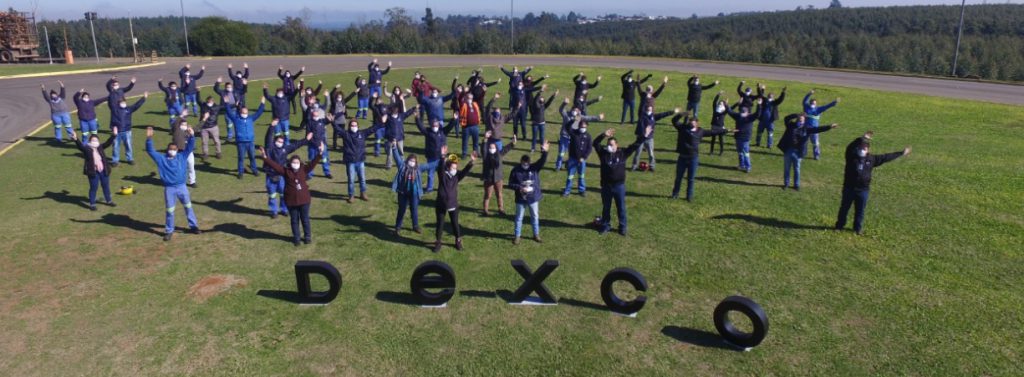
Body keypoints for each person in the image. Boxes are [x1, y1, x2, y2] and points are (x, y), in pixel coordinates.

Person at [835, 133, 910, 235]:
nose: (862, 149)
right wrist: (863, 138)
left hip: (863, 191)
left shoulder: (871, 159)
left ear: (868, 150)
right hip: (849, 188)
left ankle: (857, 229)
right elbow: (850, 146)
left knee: (860, 211)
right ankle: (839, 226)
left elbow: (886, 157)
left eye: (865, 148)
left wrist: (901, 153)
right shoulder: (851, 156)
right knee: (844, 208)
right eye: (861, 147)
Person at [259, 144, 324, 245]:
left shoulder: (304, 169)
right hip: (291, 201)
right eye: (293, 162)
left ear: (300, 163)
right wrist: (265, 158)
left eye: (297, 162)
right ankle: (296, 238)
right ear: (290, 163)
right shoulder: (286, 171)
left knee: (305, 219)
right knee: (294, 220)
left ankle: (307, 237)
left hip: (304, 200)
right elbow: (275, 166)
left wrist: (320, 153)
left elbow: (313, 163)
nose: (295, 164)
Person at [144, 126, 201, 241]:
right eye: (171, 149)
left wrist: (192, 136)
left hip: (182, 187)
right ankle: (169, 231)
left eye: (175, 149)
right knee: (170, 210)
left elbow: (189, 147)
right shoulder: (161, 159)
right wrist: (149, 138)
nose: (173, 150)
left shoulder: (182, 156)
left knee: (188, 207)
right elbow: (150, 151)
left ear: (177, 150)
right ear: (167, 150)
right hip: (169, 189)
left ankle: (194, 226)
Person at [594, 127, 651, 236]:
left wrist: (644, 136)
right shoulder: (603, 154)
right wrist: (604, 135)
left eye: (612, 144)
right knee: (606, 207)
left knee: (621, 207)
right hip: (606, 186)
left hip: (619, 186)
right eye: (609, 145)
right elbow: (595, 143)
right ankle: (606, 225)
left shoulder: (623, 153)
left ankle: (623, 227)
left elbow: (635, 145)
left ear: (617, 145)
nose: (610, 146)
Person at [670, 113, 731, 201]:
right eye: (690, 121)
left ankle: (689, 196)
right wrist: (681, 114)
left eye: (693, 122)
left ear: (697, 123)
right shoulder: (682, 128)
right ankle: (675, 194)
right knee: (679, 177)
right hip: (682, 157)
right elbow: (674, 121)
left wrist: (726, 130)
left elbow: (713, 132)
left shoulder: (700, 131)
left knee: (691, 179)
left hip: (693, 158)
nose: (691, 123)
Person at [777, 114, 838, 190]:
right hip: (789, 150)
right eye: (799, 118)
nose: (800, 120)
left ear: (804, 120)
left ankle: (796, 185)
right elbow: (786, 118)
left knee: (797, 169)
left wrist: (829, 126)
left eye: (802, 119)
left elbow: (818, 129)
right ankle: (786, 184)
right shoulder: (790, 125)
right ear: (797, 119)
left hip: (798, 152)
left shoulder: (807, 129)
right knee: (787, 168)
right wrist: (796, 114)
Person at [263, 121, 310, 218]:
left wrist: (306, 140)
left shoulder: (285, 149)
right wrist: (271, 126)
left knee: (283, 194)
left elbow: (296, 145)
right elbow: (268, 137)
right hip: (270, 175)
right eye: (278, 141)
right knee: (272, 195)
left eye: (282, 142)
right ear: (275, 141)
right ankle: (274, 211)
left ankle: (284, 209)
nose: (280, 143)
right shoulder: (269, 148)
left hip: (281, 176)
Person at [434, 146, 475, 252]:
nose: (455, 165)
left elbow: (465, 172)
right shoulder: (443, 174)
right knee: (440, 224)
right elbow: (440, 167)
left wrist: (471, 162)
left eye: (456, 164)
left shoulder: (457, 175)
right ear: (448, 165)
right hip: (441, 204)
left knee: (455, 224)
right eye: (454, 164)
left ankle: (458, 241)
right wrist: (442, 156)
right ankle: (438, 242)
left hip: (453, 204)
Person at [509, 140, 550, 244]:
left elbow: (542, 161)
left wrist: (544, 152)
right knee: (519, 218)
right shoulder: (515, 170)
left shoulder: (534, 168)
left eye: (527, 164)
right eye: (524, 164)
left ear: (529, 162)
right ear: (521, 162)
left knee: (535, 216)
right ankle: (517, 236)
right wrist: (519, 188)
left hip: (533, 198)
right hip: (520, 198)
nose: (526, 165)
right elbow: (510, 184)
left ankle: (536, 235)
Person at [334, 118, 384, 203]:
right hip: (350, 162)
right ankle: (351, 195)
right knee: (351, 180)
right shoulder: (346, 134)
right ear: (349, 126)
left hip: (360, 161)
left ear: (358, 126)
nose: (354, 127)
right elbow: (337, 129)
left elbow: (372, 129)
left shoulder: (362, 133)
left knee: (362, 179)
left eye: (355, 125)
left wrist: (381, 122)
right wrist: (332, 121)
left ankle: (363, 193)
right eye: (352, 125)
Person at [70, 128, 117, 210]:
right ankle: (92, 204)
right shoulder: (87, 149)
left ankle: (109, 201)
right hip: (93, 172)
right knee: (93, 188)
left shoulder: (100, 147)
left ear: (98, 141)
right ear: (90, 141)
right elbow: (80, 146)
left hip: (103, 170)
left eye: (96, 139)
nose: (94, 141)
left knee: (106, 186)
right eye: (93, 139)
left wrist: (114, 135)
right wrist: (76, 139)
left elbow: (108, 143)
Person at [413, 113, 457, 192]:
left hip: (442, 157)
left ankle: (444, 186)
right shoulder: (428, 132)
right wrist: (417, 118)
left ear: (439, 125)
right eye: (433, 125)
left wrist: (453, 119)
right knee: (430, 173)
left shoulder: (443, 131)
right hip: (431, 157)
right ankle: (430, 188)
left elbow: (450, 127)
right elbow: (421, 127)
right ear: (431, 125)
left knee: (443, 173)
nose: (435, 127)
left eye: (436, 125)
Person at [555, 99, 603, 171]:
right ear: (572, 109)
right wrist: (564, 103)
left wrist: (598, 117)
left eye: (577, 110)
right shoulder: (567, 115)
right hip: (564, 137)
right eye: (575, 109)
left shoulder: (579, 117)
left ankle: (568, 165)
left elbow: (589, 118)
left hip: (573, 139)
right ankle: (558, 166)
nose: (576, 111)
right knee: (561, 152)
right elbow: (561, 110)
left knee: (571, 154)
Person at [225, 97, 266, 179]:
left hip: (250, 142)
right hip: (241, 142)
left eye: (246, 112)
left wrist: (262, 103)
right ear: (240, 112)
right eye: (244, 112)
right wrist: (226, 103)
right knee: (241, 158)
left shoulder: (251, 118)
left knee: (252, 157)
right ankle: (240, 173)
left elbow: (259, 113)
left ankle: (254, 170)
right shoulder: (236, 119)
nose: (245, 114)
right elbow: (229, 112)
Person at [631, 105, 680, 172]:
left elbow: (663, 114)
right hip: (640, 138)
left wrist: (673, 111)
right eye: (648, 108)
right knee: (637, 153)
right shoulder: (642, 115)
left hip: (649, 138)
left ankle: (652, 166)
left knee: (651, 153)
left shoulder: (653, 116)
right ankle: (634, 166)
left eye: (651, 108)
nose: (649, 109)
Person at [392, 154, 430, 234]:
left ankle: (415, 226)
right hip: (403, 192)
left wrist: (441, 159)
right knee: (401, 210)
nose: (412, 162)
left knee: (414, 209)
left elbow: (429, 165)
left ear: (416, 162)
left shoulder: (418, 168)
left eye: (414, 161)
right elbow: (397, 157)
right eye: (410, 161)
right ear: (407, 160)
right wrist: (394, 147)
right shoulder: (402, 166)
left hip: (414, 193)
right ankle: (397, 227)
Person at [481, 132, 516, 215]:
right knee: (487, 195)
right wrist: (485, 138)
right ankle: (485, 210)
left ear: (496, 148)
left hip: (498, 179)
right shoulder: (486, 155)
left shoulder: (499, 154)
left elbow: (507, 148)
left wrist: (513, 142)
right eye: (490, 147)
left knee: (499, 194)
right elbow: (483, 149)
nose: (491, 149)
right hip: (489, 179)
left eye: (493, 147)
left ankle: (501, 209)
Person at [109, 92, 147, 166]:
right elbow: (112, 120)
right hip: (117, 132)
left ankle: (130, 159)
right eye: (121, 102)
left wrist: (144, 98)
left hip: (127, 131)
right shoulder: (115, 110)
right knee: (116, 146)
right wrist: (113, 128)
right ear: (118, 103)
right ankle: (115, 160)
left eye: (124, 102)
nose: (123, 103)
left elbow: (137, 105)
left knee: (128, 146)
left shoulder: (129, 109)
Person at [803, 89, 840, 160]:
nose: (812, 104)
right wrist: (809, 94)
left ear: (816, 104)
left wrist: (834, 102)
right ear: (809, 103)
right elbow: (804, 100)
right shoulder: (806, 107)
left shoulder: (818, 109)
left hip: (815, 130)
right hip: (806, 128)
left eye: (814, 103)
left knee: (815, 143)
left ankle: (816, 155)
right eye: (811, 103)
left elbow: (827, 106)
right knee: (804, 142)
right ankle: (803, 154)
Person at [381, 102, 417, 170]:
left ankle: (402, 163)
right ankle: (389, 164)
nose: (395, 110)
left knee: (401, 152)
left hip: (400, 138)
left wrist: (414, 108)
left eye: (396, 109)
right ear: (391, 110)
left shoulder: (401, 116)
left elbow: (407, 113)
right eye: (394, 109)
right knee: (389, 152)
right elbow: (383, 120)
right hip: (390, 138)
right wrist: (385, 115)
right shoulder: (388, 117)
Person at [726, 104, 759, 173]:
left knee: (746, 153)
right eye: (741, 112)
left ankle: (748, 167)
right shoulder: (738, 116)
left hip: (745, 138)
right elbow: (730, 112)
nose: (742, 114)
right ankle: (741, 165)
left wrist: (759, 104)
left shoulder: (750, 117)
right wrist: (726, 105)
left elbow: (757, 113)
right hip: (738, 137)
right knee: (740, 152)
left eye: (743, 112)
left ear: (747, 112)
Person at [563, 120, 592, 197]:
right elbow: (567, 127)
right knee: (570, 176)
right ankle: (567, 191)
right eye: (582, 126)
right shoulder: (573, 133)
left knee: (581, 176)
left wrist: (584, 157)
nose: (583, 127)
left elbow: (589, 148)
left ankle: (581, 190)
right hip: (572, 159)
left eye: (585, 126)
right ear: (579, 126)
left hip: (582, 160)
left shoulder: (588, 136)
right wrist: (573, 120)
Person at [169, 115, 198, 187]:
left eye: (185, 125)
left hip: (188, 152)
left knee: (191, 166)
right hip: (179, 153)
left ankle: (192, 181)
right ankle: (177, 181)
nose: (184, 126)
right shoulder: (177, 132)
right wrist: (181, 116)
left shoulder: (188, 131)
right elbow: (174, 124)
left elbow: (198, 127)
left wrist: (204, 119)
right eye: (182, 125)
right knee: (179, 167)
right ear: (179, 125)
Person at [305, 107, 333, 179]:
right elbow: (308, 135)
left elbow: (329, 120)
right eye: (314, 115)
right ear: (312, 115)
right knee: (312, 160)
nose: (315, 116)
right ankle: (310, 174)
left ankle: (327, 172)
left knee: (324, 159)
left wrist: (330, 118)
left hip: (322, 145)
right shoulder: (309, 123)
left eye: (317, 114)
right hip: (312, 145)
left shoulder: (322, 121)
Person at [528, 88, 558, 153]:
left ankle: (542, 148)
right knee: (534, 137)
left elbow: (549, 102)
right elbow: (535, 99)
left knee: (542, 137)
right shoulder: (536, 105)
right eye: (541, 98)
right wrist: (540, 91)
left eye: (543, 98)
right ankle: (533, 148)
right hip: (535, 123)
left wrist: (554, 95)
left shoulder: (544, 106)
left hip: (542, 123)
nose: (542, 98)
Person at [213, 76, 241, 142]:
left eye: (230, 87)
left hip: (234, 110)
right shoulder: (223, 92)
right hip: (227, 110)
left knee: (236, 123)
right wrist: (218, 82)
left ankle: (237, 135)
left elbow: (239, 96)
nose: (229, 88)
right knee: (229, 123)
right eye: (228, 87)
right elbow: (216, 89)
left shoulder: (235, 92)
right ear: (225, 87)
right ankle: (230, 135)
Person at [329, 85, 357, 150]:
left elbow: (349, 97)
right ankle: (334, 145)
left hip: (342, 121)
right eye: (338, 97)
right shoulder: (334, 102)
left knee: (343, 134)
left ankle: (345, 145)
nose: (339, 98)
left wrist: (355, 92)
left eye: (340, 97)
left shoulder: (343, 102)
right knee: (335, 134)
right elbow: (331, 94)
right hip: (336, 121)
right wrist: (335, 88)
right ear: (336, 97)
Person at [459, 93, 482, 158]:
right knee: (465, 141)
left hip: (475, 126)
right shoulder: (463, 104)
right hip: (466, 127)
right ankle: (464, 153)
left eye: (471, 98)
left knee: (476, 141)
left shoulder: (475, 104)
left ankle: (476, 152)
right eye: (468, 98)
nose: (470, 99)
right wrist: (464, 92)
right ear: (466, 98)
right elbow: (460, 99)